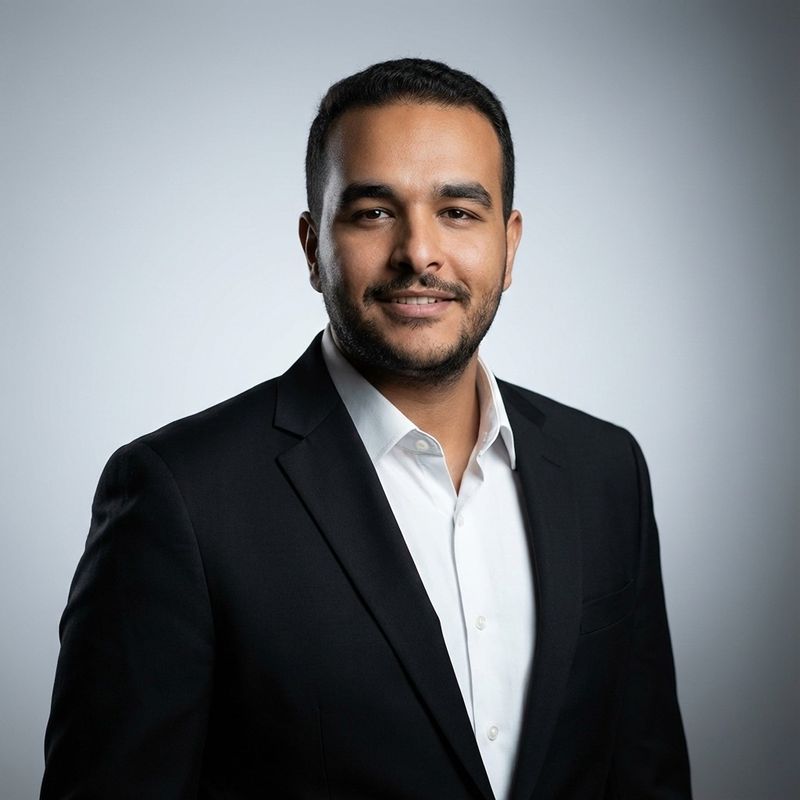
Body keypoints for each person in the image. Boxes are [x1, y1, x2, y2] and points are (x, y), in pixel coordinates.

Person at [41, 58, 691, 799]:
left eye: (458, 211)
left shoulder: (606, 469)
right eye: (374, 212)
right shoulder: (180, 497)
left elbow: (646, 776)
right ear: (312, 247)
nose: (419, 252)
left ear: (510, 245)